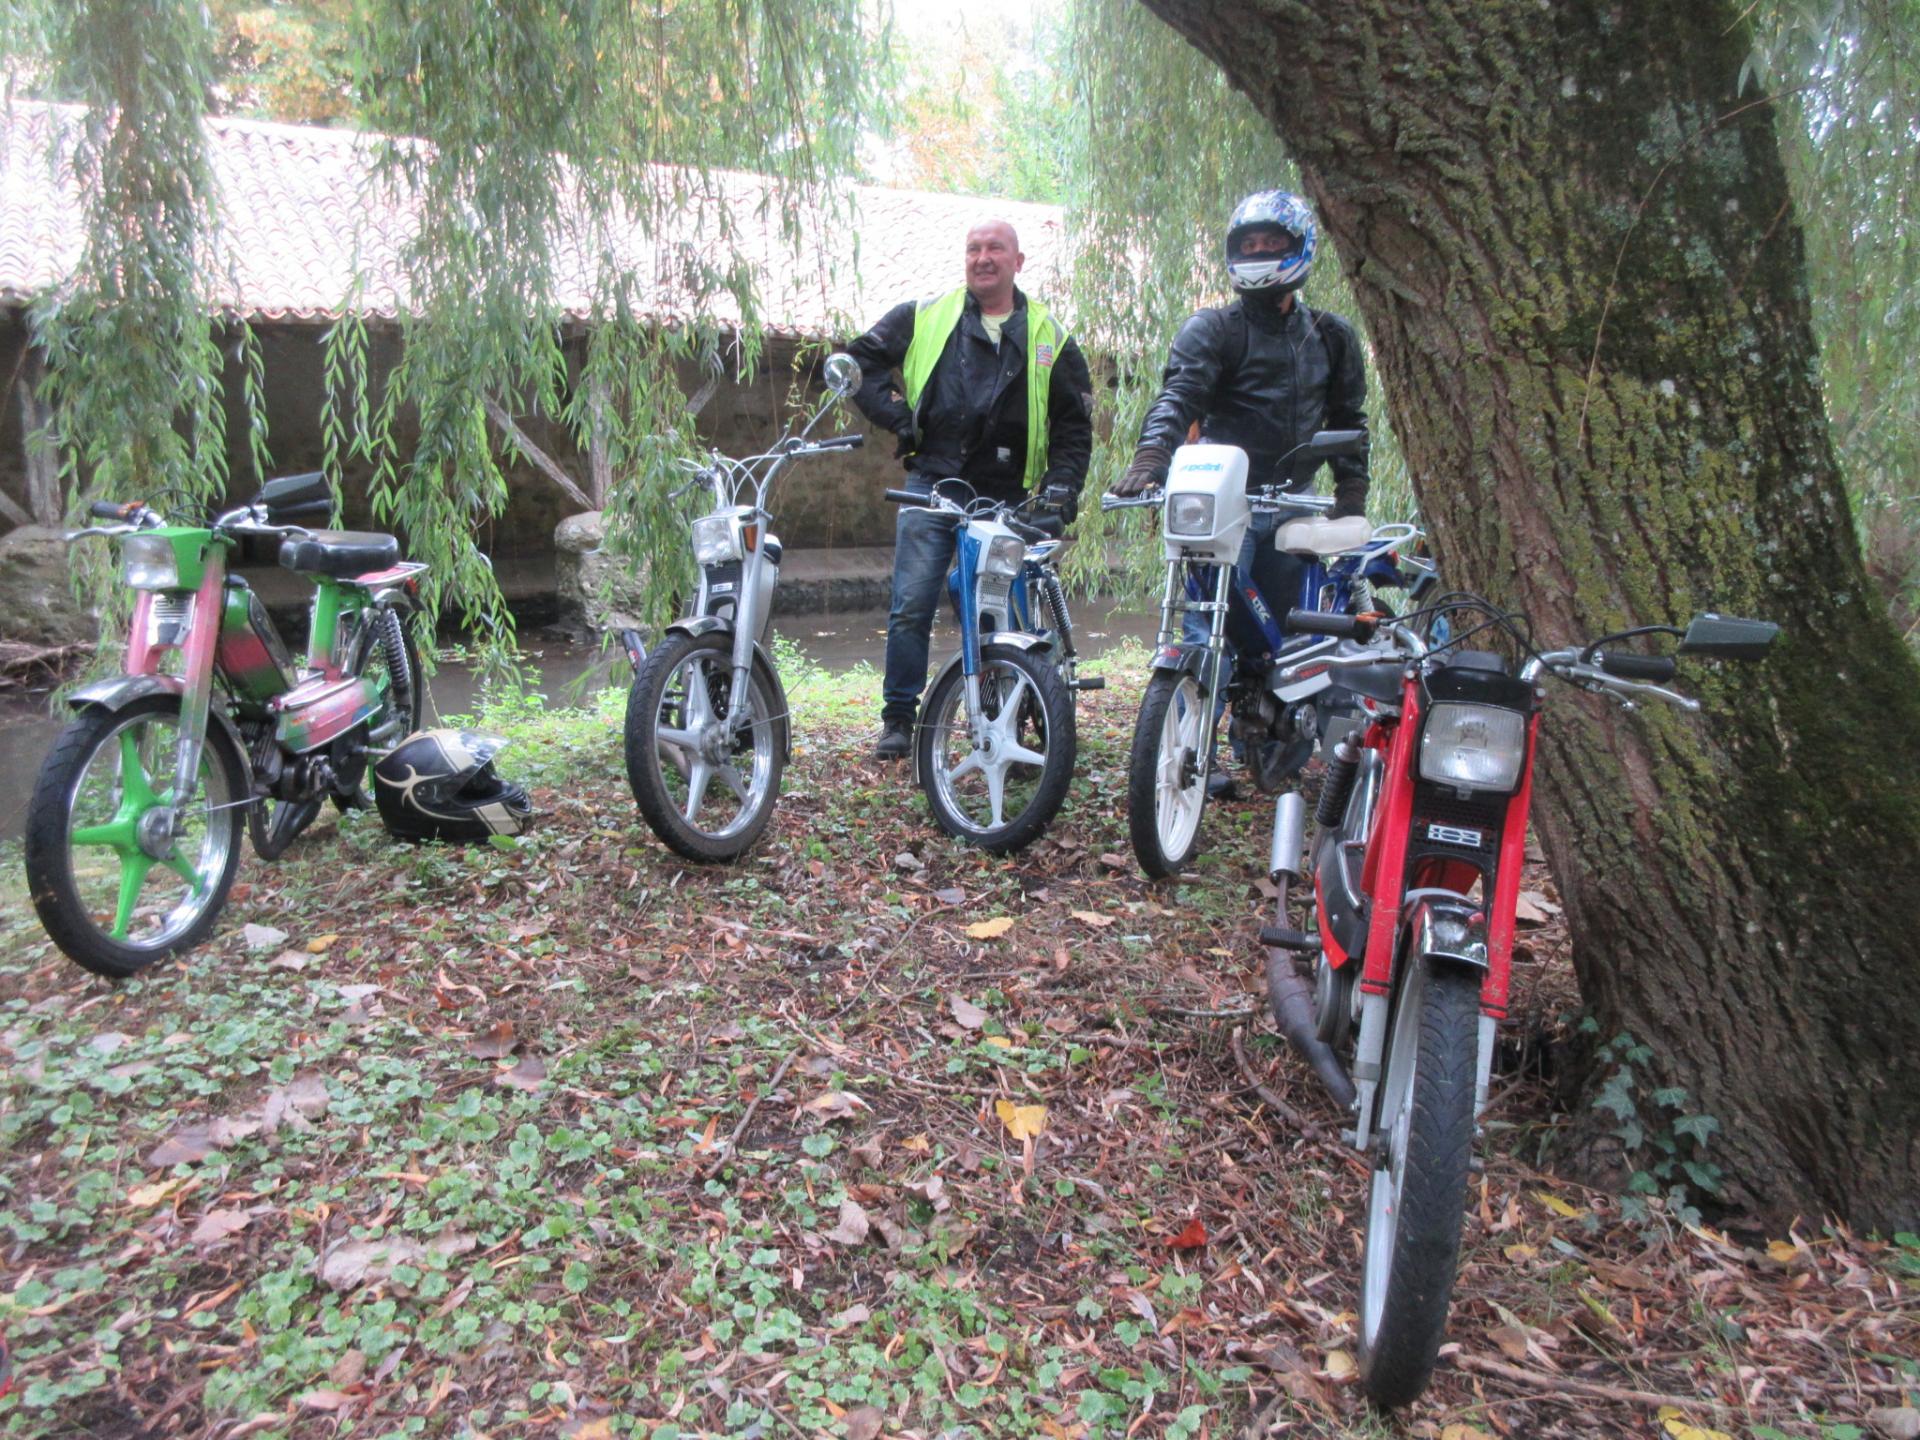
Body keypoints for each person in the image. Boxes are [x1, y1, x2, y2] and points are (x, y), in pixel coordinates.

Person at [1112, 190, 1371, 796]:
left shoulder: (1332, 337)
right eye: (1247, 245)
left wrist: (1351, 491)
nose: (1258, 254)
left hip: (1295, 501)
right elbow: (1179, 395)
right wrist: (1153, 455)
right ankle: (1194, 752)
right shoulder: (1213, 328)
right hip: (1222, 502)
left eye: (1270, 244)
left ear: (1298, 247)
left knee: (1282, 637)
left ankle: (1265, 734)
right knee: (1205, 629)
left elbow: (1350, 420)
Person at [845, 218, 1094, 760]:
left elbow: (1074, 428)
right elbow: (855, 362)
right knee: (912, 603)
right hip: (933, 481)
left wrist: (1059, 494)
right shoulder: (926, 315)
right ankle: (897, 721)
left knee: (1000, 606)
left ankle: (1014, 714)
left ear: (1017, 261)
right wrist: (898, 418)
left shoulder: (1050, 335)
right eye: (974, 248)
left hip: (1008, 494)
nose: (983, 257)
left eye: (995, 249)